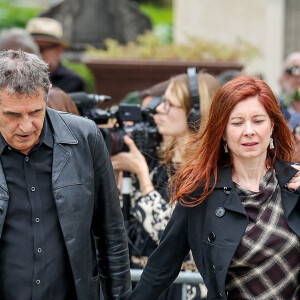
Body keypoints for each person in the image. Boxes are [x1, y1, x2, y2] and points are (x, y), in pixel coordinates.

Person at [128, 75, 300, 300]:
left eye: (258, 120)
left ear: (272, 125)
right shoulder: (201, 192)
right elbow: (161, 267)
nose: (249, 131)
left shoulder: (295, 181)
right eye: (237, 123)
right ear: (223, 132)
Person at [0, 50, 131, 300]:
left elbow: (111, 233)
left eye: (36, 112)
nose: (26, 126)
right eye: (13, 115)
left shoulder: (85, 137)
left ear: (48, 93)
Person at [111, 71, 220, 300]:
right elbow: (122, 224)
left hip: (189, 291)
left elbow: (173, 237)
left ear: (196, 114)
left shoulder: (210, 173)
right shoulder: (159, 164)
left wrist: (141, 175)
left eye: (169, 105)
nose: (159, 110)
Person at [26, 17, 85, 93]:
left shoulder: (72, 82)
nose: (35, 53)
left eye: (41, 48)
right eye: (31, 48)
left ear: (59, 49)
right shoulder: (16, 77)